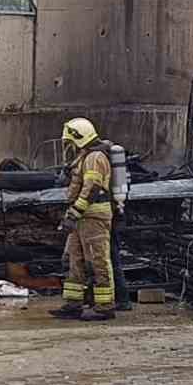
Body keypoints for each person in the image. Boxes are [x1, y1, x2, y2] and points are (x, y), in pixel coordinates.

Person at [48, 118, 118, 322]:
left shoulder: (95, 157)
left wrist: (74, 213)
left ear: (79, 138)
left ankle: (104, 307)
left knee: (97, 261)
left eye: (70, 142)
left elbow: (92, 188)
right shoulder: (84, 156)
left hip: (93, 216)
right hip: (81, 216)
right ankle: (73, 304)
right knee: (73, 259)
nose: (68, 147)